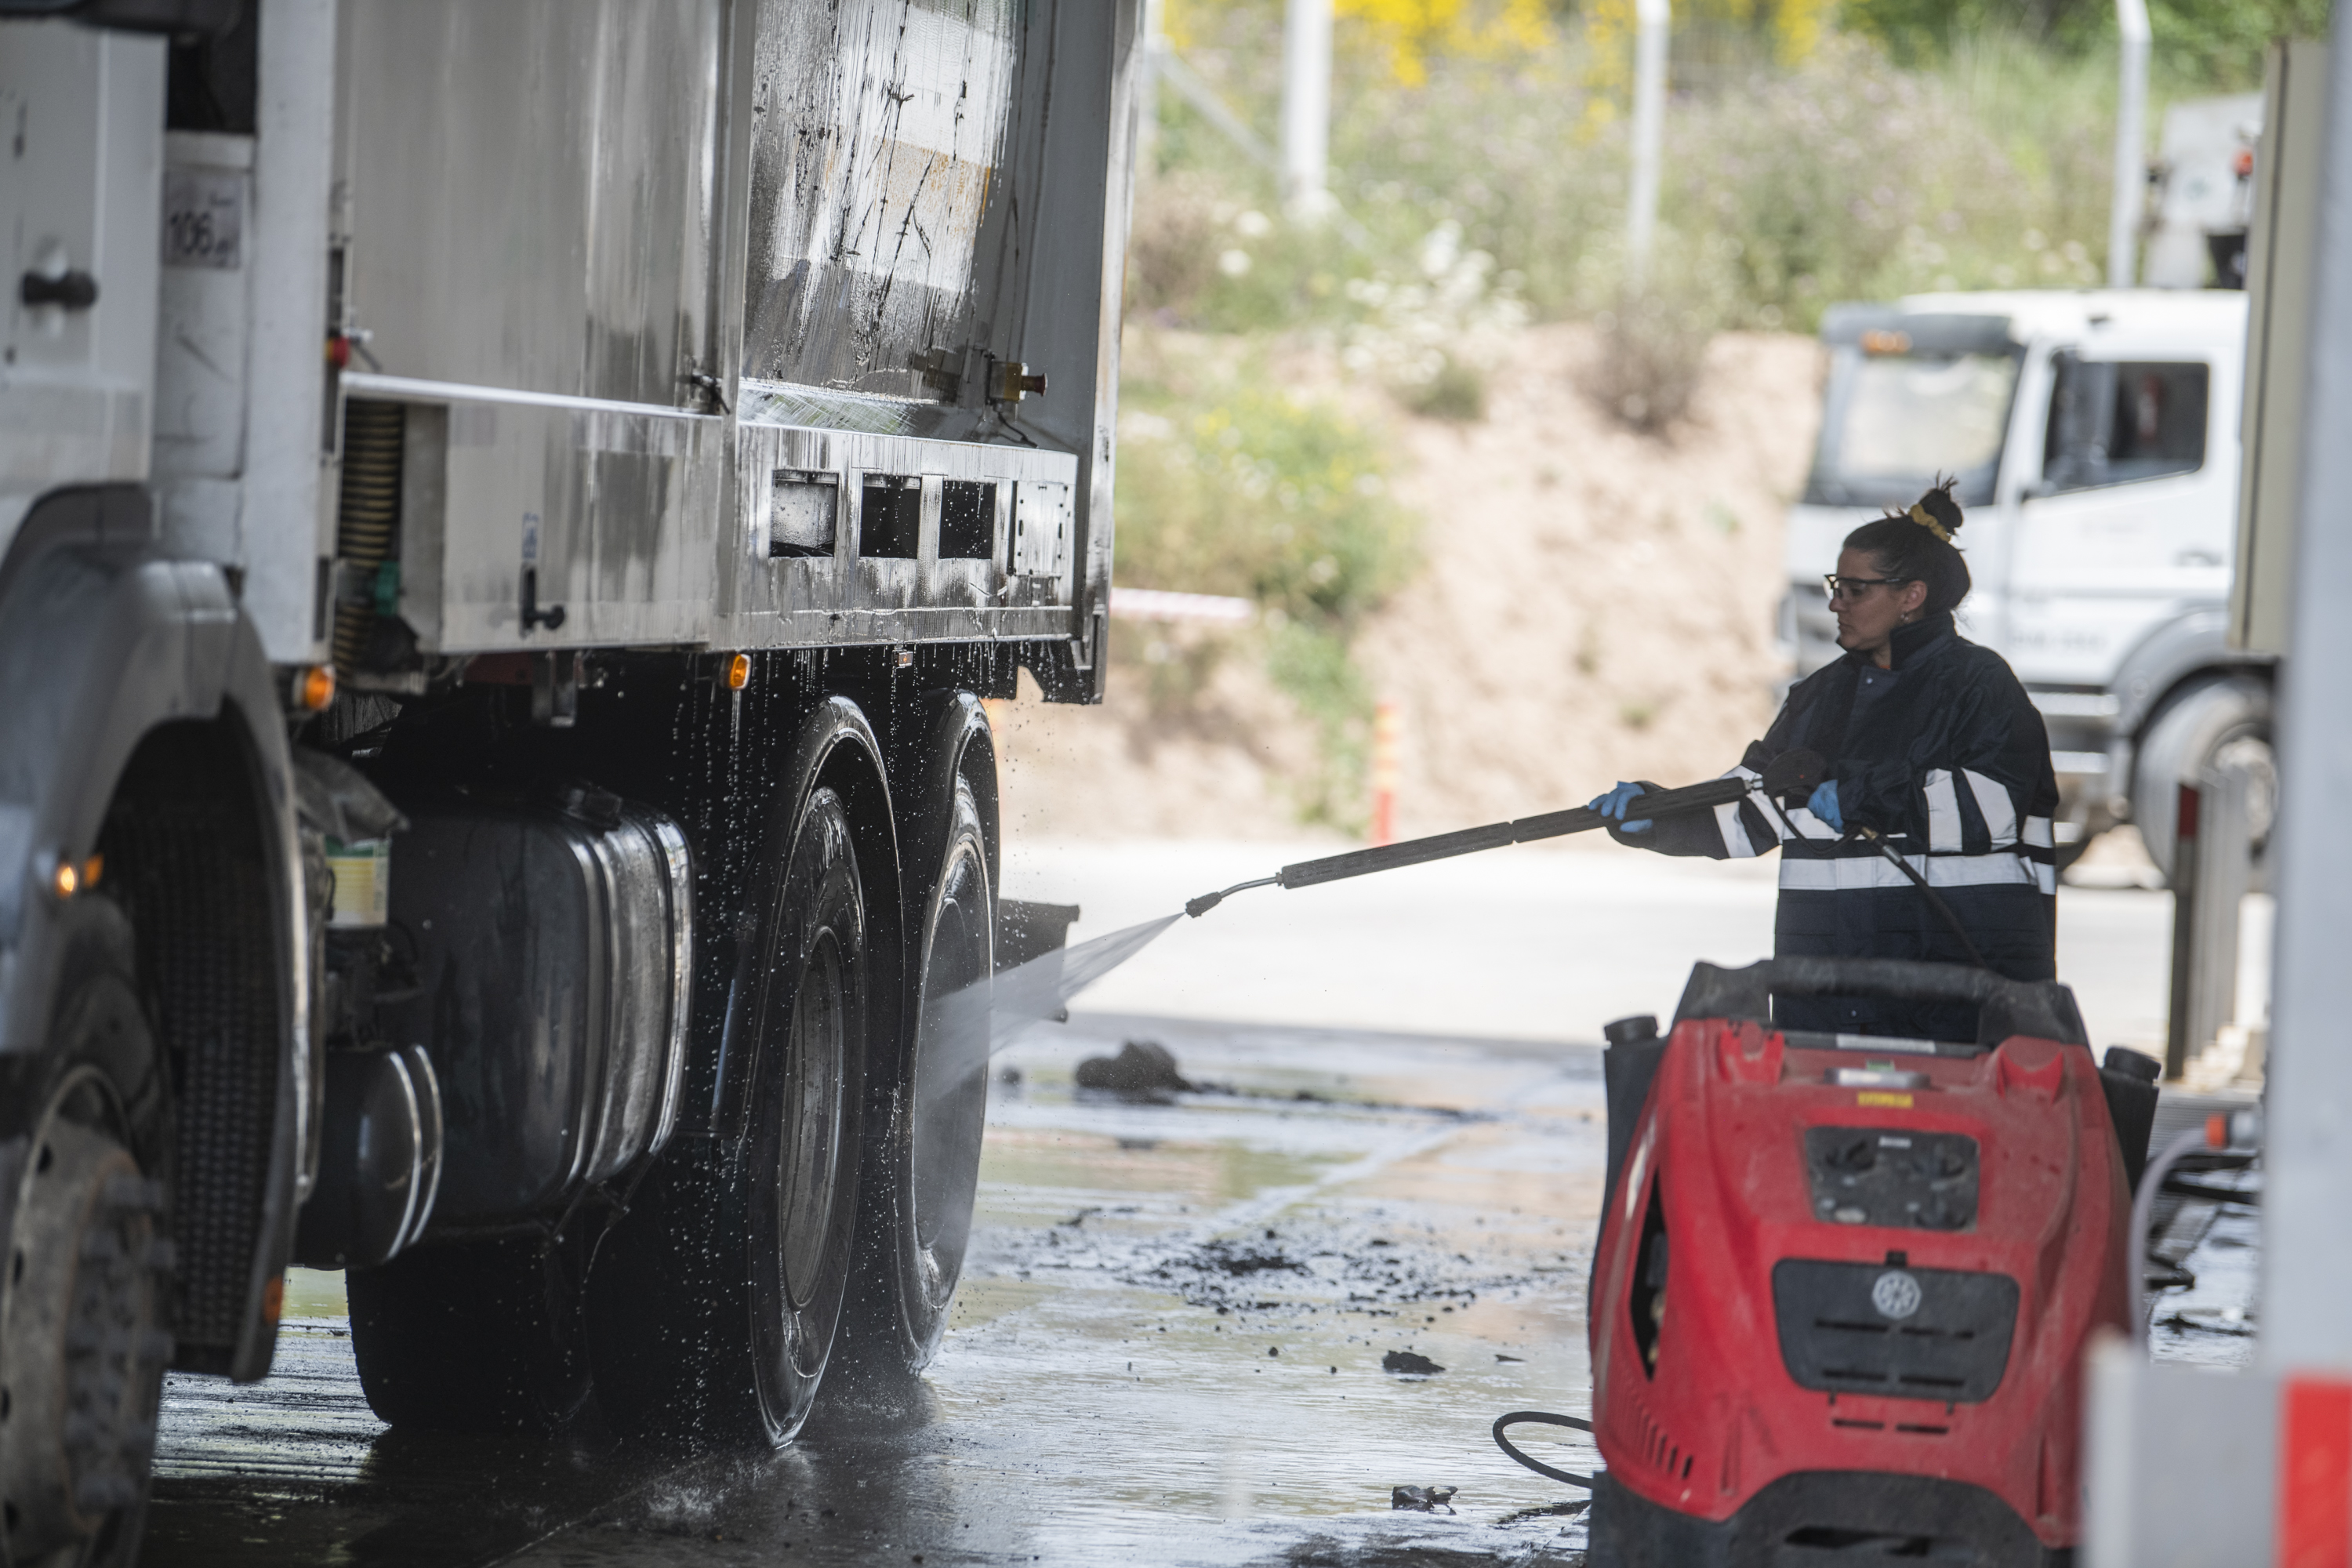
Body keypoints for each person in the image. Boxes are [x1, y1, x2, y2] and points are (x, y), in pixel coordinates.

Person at [1588, 481, 2060, 1041]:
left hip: (1964, 1006)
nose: (1836, 603)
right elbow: (1750, 810)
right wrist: (1657, 814)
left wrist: (1867, 793)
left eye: (1855, 590)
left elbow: (1992, 809)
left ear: (1911, 596)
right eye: (1837, 586)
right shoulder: (1818, 699)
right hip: (1828, 1005)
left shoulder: (1981, 686)